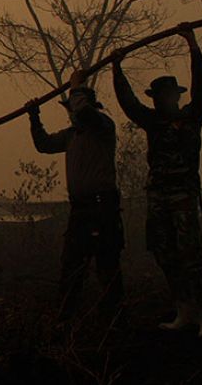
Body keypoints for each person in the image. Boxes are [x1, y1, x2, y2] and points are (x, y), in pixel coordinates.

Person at [111, 25, 202, 339]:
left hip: (183, 193)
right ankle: (184, 308)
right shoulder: (152, 121)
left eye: (167, 95)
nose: (162, 101)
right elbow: (128, 103)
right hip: (158, 194)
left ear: (175, 96)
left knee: (191, 255)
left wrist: (193, 45)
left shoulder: (191, 115)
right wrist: (117, 67)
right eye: (158, 97)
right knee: (163, 251)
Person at [25, 70, 124, 323]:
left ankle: (115, 319)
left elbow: (86, 113)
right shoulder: (71, 136)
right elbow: (44, 144)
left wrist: (76, 87)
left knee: (107, 265)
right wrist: (34, 117)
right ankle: (66, 317)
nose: (72, 113)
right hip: (80, 209)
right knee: (72, 265)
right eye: (70, 108)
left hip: (103, 207)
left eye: (74, 107)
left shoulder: (102, 126)